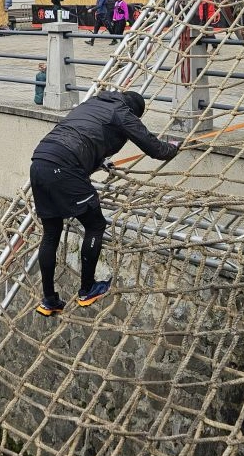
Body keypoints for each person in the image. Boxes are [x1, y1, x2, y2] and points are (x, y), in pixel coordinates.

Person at [28, 91, 179, 315]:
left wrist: (99, 161)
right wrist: (173, 147)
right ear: (135, 111)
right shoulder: (123, 113)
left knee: (51, 233)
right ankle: (88, 289)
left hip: (40, 160)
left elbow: (84, 134)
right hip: (65, 166)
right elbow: (155, 148)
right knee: (95, 225)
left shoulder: (94, 102)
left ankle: (49, 300)